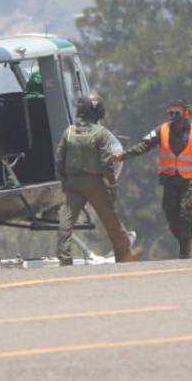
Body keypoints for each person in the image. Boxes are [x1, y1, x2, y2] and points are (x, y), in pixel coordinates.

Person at [55, 92, 141, 264]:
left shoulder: (69, 131)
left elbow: (59, 158)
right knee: (110, 219)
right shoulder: (101, 133)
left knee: (67, 220)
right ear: (99, 111)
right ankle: (124, 254)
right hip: (93, 182)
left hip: (73, 181)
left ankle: (64, 259)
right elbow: (106, 162)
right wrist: (112, 185)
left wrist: (65, 180)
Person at [121, 98, 192, 259]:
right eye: (171, 113)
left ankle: (185, 248)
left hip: (190, 180)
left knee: (186, 213)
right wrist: (124, 155)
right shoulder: (161, 130)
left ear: (186, 113)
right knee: (171, 216)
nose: (174, 116)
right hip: (170, 180)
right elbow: (144, 145)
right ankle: (183, 239)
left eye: (177, 112)